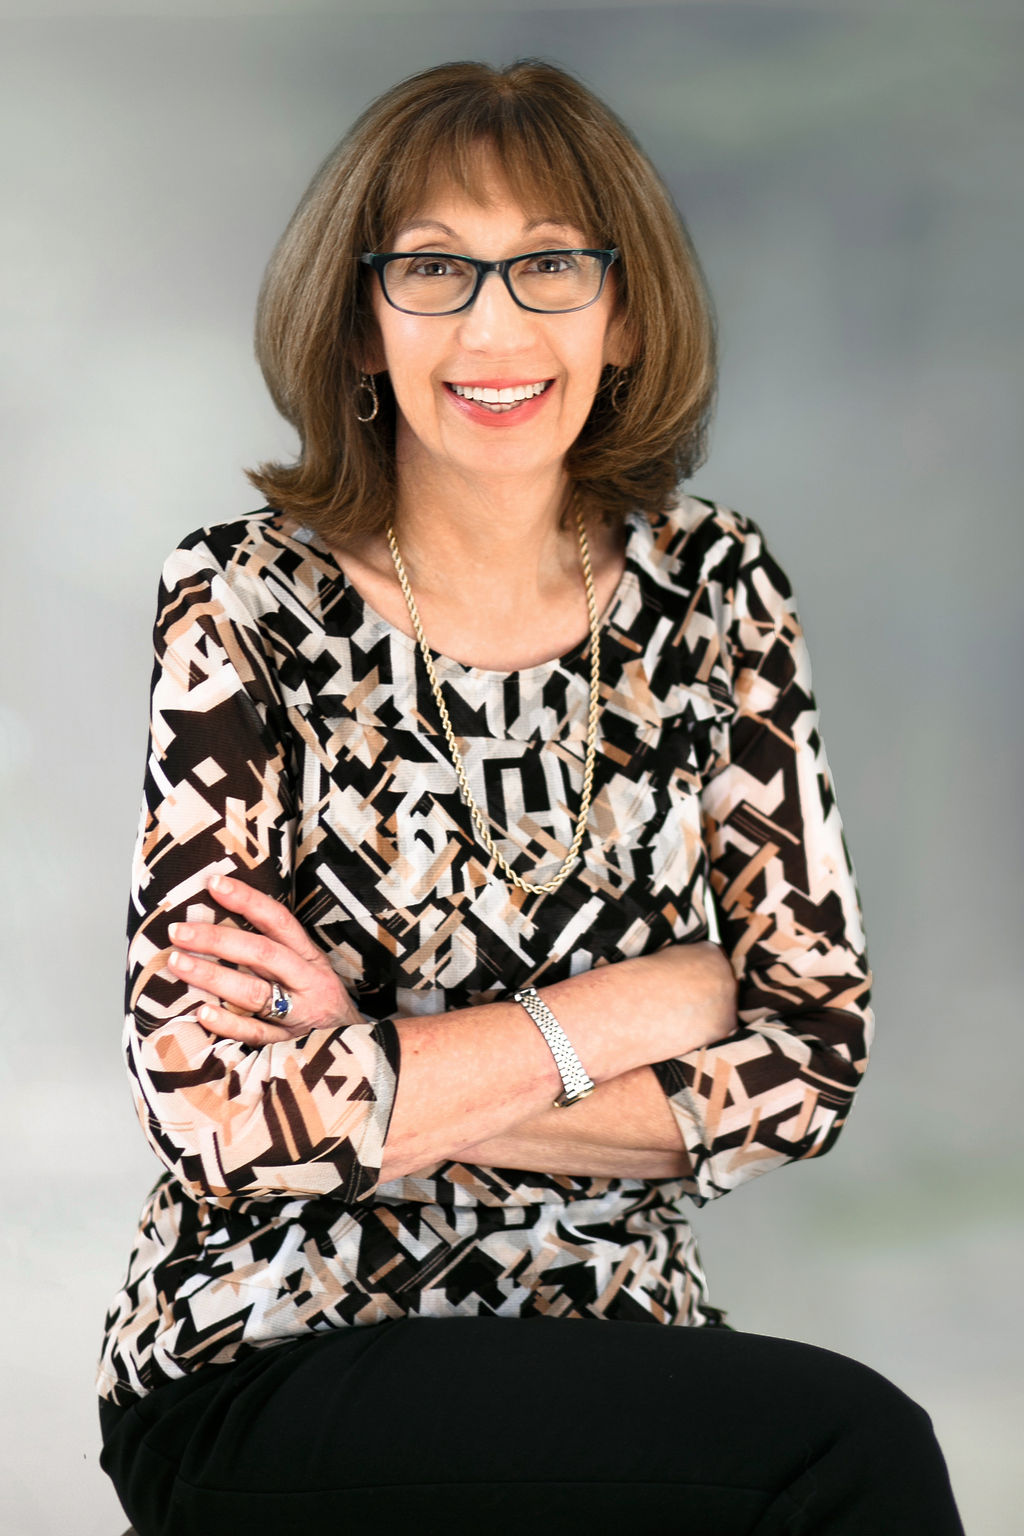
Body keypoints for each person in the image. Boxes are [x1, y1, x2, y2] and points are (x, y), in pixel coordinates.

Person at [97, 58, 964, 1536]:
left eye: (550, 266)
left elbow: (809, 1067)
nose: (494, 327)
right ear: (363, 324)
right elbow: (225, 1118)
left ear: (623, 316)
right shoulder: (247, 598)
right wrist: (651, 1004)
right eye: (434, 269)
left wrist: (379, 1070)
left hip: (621, 1335)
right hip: (284, 1344)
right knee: (848, 1452)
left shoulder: (718, 595)